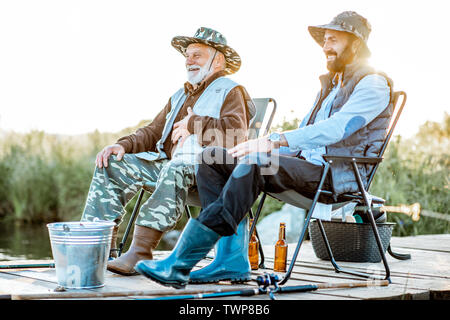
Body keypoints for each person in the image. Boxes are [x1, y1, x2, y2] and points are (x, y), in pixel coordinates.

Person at [135, 11, 395, 289]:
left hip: (335, 175)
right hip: (302, 167)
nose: (325, 46)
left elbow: (339, 128)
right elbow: (307, 131)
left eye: (333, 39)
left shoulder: (373, 83)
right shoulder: (331, 86)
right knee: (211, 158)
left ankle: (179, 263)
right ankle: (230, 260)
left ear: (355, 44)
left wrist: (274, 141)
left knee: (257, 162)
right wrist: (263, 149)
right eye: (325, 39)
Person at [80, 27, 255, 277]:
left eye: (197, 55)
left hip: (206, 170)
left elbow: (236, 136)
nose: (189, 60)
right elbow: (153, 132)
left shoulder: (231, 90)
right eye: (187, 55)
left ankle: (141, 250)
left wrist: (195, 124)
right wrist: (123, 145)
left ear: (218, 60)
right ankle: (96, 250)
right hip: (169, 165)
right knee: (112, 163)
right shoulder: (180, 94)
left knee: (175, 168)